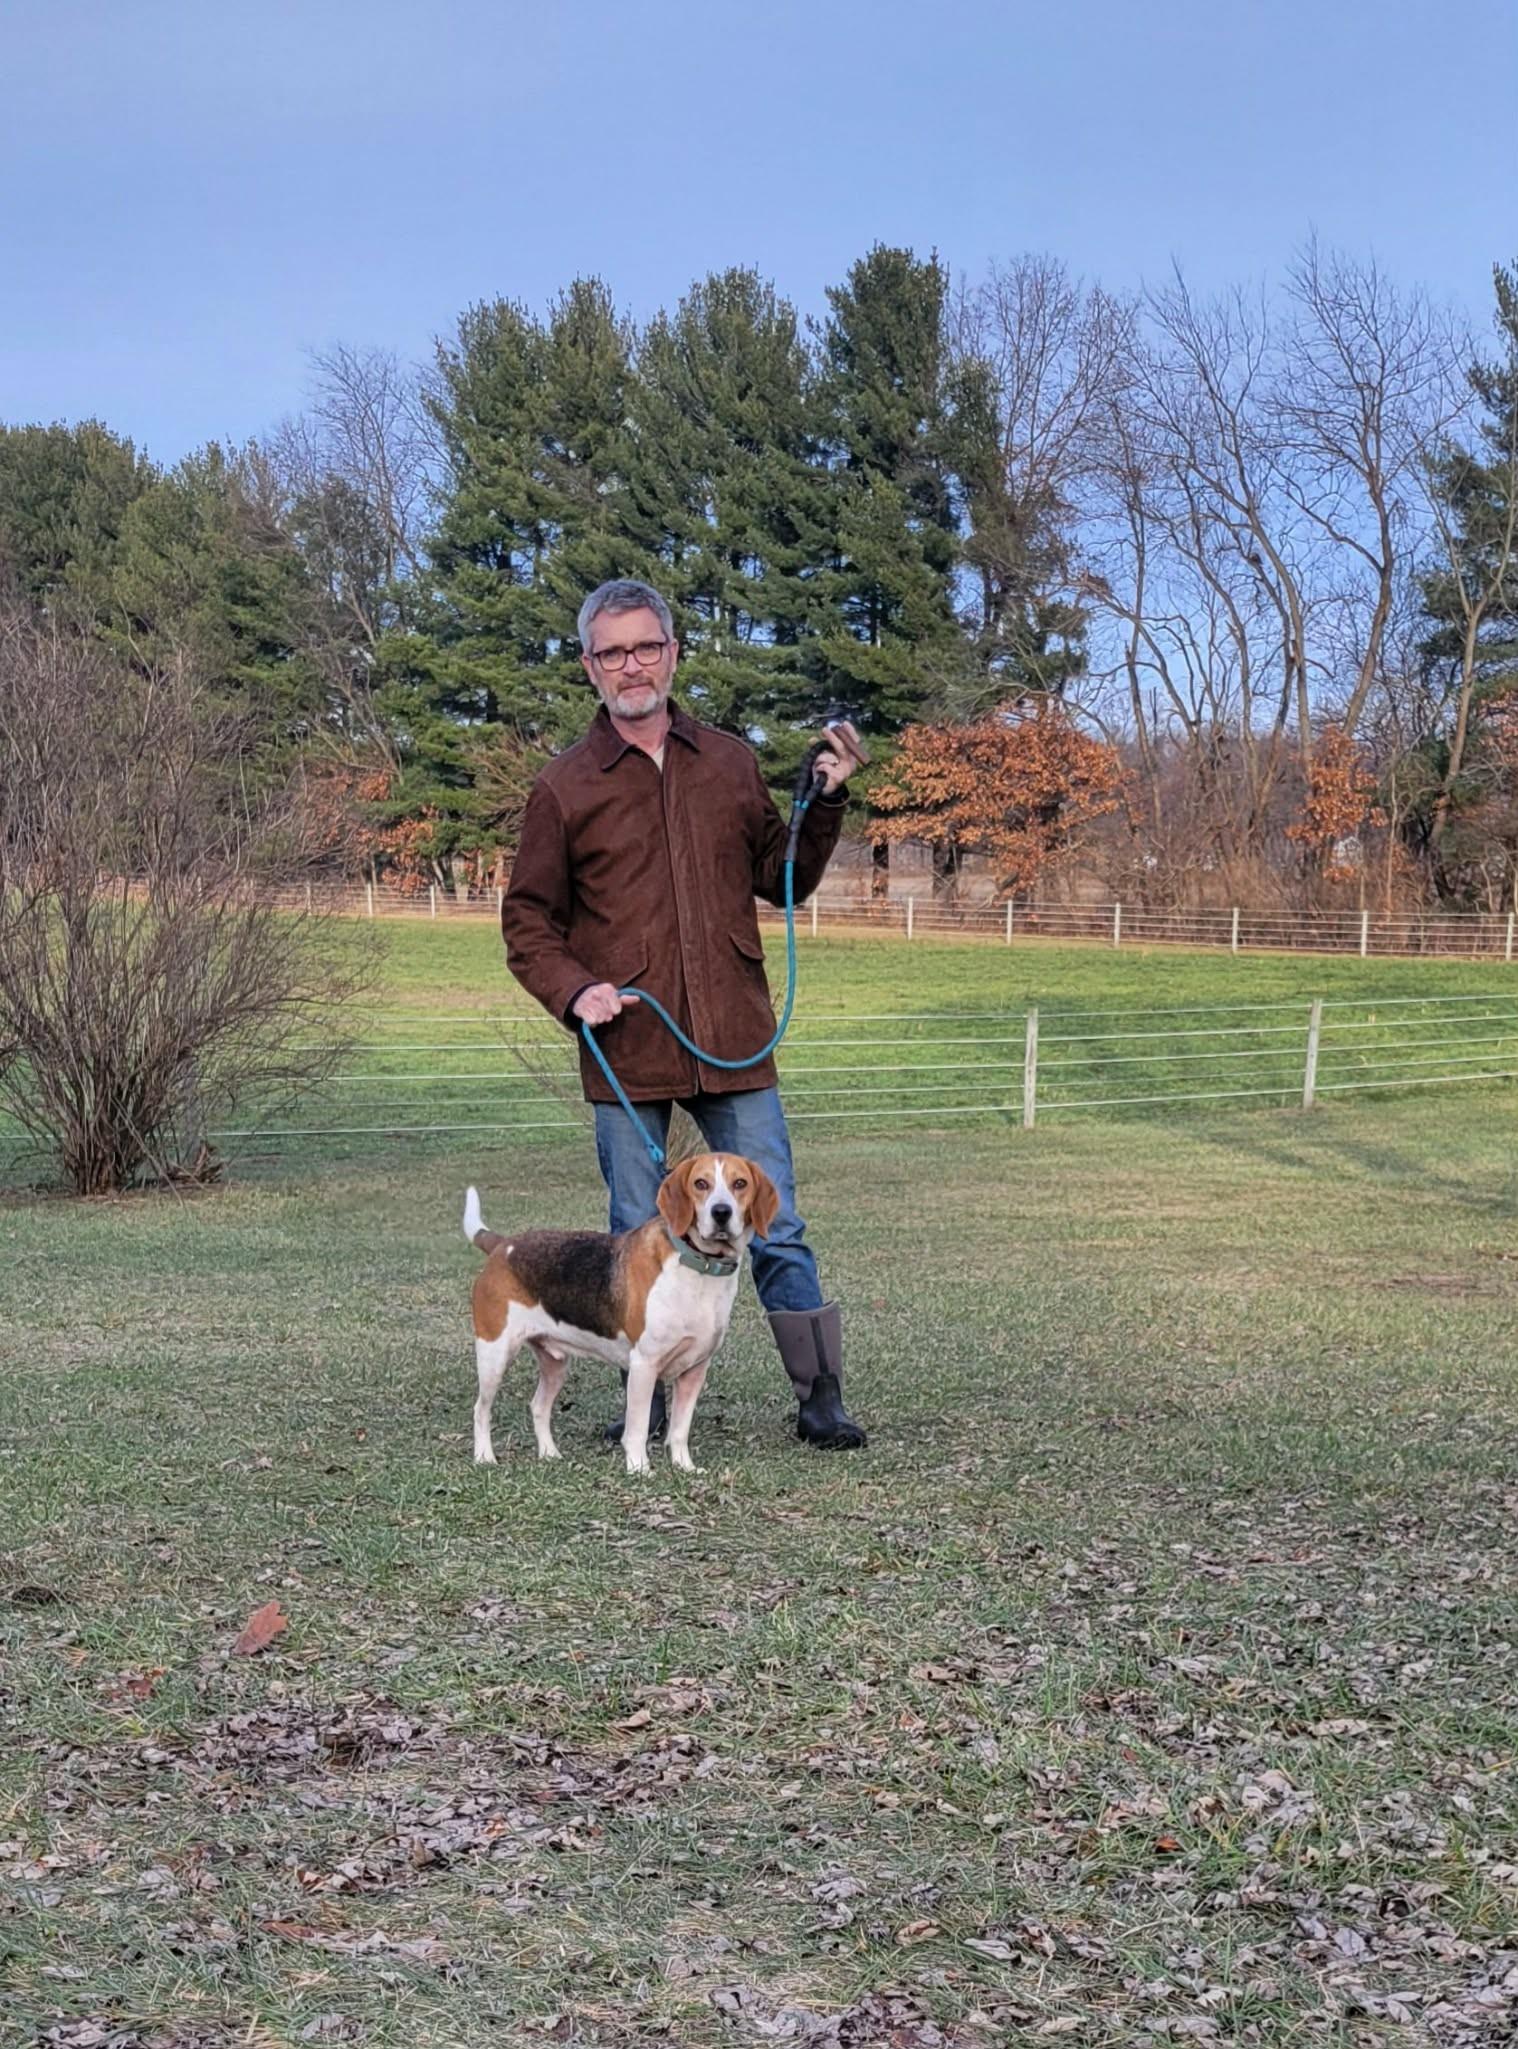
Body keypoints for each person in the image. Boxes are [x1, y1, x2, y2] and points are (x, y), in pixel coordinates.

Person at [500, 577, 867, 1451]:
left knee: (775, 1219)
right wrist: (572, 989)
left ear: (673, 653)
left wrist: (828, 800)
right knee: (642, 1233)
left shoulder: (731, 762)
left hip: (734, 1036)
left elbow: (784, 876)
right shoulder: (563, 787)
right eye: (613, 651)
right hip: (627, 1044)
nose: (633, 664)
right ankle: (649, 1400)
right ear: (591, 666)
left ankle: (819, 1395)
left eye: (647, 646)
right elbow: (526, 922)